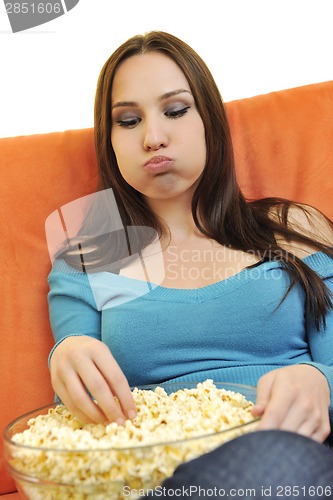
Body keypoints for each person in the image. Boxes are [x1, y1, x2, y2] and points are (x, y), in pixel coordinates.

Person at [47, 31, 333, 496]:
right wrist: (68, 355)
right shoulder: (89, 259)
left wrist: (319, 381)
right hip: (155, 477)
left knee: (277, 461)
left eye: (176, 111)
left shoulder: (292, 228)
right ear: (111, 142)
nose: (153, 138)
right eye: (128, 120)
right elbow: (74, 400)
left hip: (290, 459)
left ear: (209, 120)